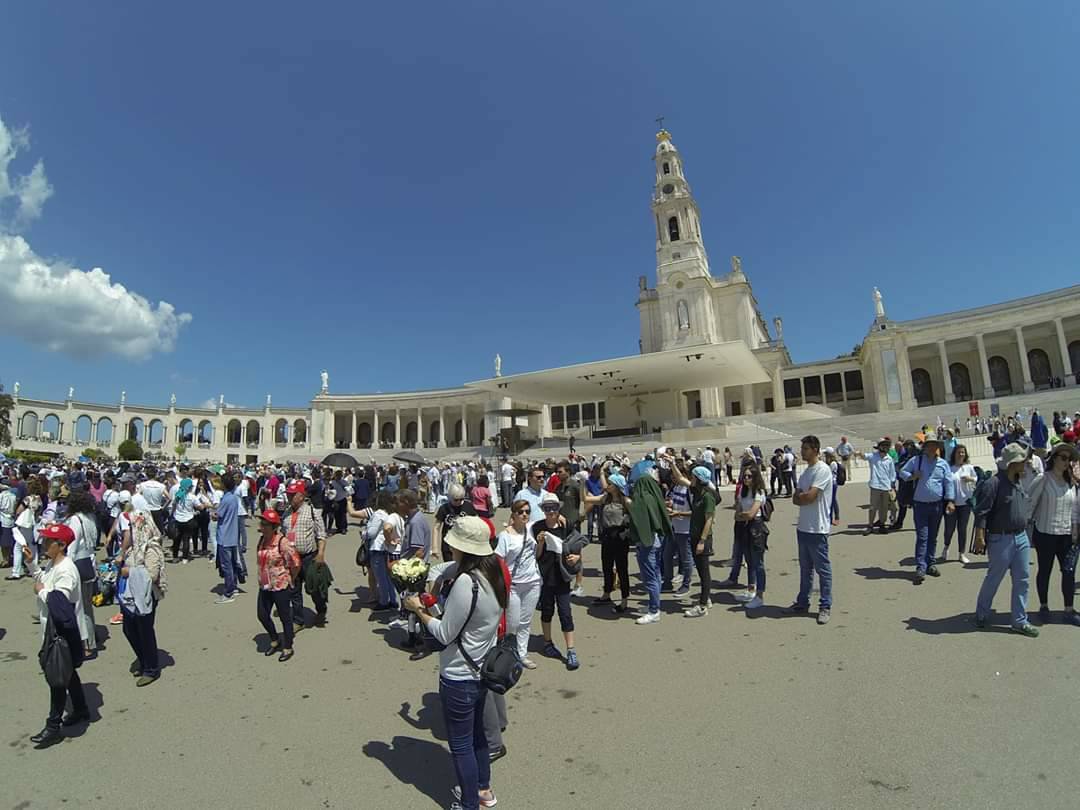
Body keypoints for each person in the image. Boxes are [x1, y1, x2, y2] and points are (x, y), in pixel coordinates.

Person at [402, 515, 506, 810]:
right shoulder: (494, 572)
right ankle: (484, 790)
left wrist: (419, 611)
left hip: (460, 674)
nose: (450, 551)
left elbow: (445, 633)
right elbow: (440, 570)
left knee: (461, 745)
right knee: (478, 738)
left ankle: (470, 803)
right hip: (482, 667)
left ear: (463, 549)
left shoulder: (466, 582)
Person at [26, 523, 90, 748]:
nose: (43, 544)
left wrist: (41, 591)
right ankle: (81, 709)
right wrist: (31, 563)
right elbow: (42, 578)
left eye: (48, 541)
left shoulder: (66, 570)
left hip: (61, 633)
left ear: (61, 545)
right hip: (52, 630)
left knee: (57, 679)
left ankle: (53, 727)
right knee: (68, 673)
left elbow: (59, 604)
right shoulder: (54, 563)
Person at [972, 443, 1039, 637]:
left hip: (1021, 536)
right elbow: (982, 513)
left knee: (1023, 580)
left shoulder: (1018, 480)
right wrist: (979, 536)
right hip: (1000, 539)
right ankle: (982, 614)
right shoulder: (994, 483)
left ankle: (1019, 621)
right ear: (1012, 463)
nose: (1025, 462)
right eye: (1022, 460)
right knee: (994, 578)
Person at [1026, 443, 1080, 626]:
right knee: (1045, 570)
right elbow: (1030, 504)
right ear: (1054, 458)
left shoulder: (1070, 482)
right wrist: (1025, 529)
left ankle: (1069, 609)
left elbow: (1074, 509)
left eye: (1069, 459)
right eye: (1063, 458)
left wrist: (1075, 530)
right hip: (1045, 533)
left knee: (1069, 571)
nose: (1066, 462)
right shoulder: (1043, 479)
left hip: (1066, 535)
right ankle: (1044, 606)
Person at [785, 435, 834, 625]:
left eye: (805, 448)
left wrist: (801, 496)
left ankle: (825, 605)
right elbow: (795, 497)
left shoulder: (822, 470)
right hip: (803, 527)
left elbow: (809, 497)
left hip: (817, 528)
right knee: (805, 569)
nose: (802, 451)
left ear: (815, 450)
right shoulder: (806, 472)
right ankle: (802, 602)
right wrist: (801, 496)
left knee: (823, 569)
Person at [898, 431, 956, 583]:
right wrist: (912, 476)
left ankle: (931, 563)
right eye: (929, 445)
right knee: (922, 536)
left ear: (937, 447)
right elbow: (901, 471)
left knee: (933, 537)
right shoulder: (916, 460)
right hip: (920, 505)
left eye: (934, 445)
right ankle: (921, 566)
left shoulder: (943, 464)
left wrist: (950, 501)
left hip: (937, 505)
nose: (931, 448)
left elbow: (948, 482)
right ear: (925, 447)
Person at [118, 509, 167, 686]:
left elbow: (152, 575)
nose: (129, 529)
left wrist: (129, 572)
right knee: (129, 629)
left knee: (144, 631)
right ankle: (143, 659)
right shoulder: (133, 547)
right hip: (131, 596)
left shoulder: (151, 547)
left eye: (132, 525)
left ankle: (151, 668)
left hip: (146, 596)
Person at [534, 491, 581, 668]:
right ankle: (547, 642)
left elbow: (577, 543)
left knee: (565, 612)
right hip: (545, 575)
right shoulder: (538, 527)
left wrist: (577, 557)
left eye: (553, 508)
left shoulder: (566, 525)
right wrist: (539, 543)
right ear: (543, 510)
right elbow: (537, 556)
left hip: (562, 576)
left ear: (558, 509)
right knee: (547, 610)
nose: (550, 511)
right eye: (547, 508)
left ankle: (571, 650)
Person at [495, 499, 542, 669]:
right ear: (513, 514)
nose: (524, 514)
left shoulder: (531, 531)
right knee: (512, 623)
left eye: (527, 511)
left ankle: (522, 654)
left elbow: (536, 554)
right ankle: (506, 654)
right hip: (513, 585)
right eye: (520, 511)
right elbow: (499, 560)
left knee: (525, 621)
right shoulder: (505, 536)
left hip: (532, 582)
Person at [281, 481, 329, 630]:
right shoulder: (286, 513)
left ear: (301, 496)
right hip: (292, 557)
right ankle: (298, 620)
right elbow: (283, 533)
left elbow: (321, 535)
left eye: (292, 495)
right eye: (288, 494)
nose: (289, 497)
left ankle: (321, 610)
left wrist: (320, 554)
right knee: (294, 590)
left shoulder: (313, 512)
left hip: (309, 556)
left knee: (314, 588)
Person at [628, 468, 672, 626]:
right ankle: (655, 605)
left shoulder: (642, 500)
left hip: (647, 542)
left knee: (650, 578)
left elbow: (637, 521)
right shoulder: (654, 497)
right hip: (657, 540)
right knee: (656, 574)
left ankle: (654, 611)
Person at [255, 509, 301, 661]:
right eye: (261, 522)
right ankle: (275, 638)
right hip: (265, 585)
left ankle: (288, 646)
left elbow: (295, 563)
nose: (261, 526)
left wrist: (290, 578)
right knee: (262, 615)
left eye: (264, 523)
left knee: (285, 617)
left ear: (273, 526)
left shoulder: (282, 542)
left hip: (280, 585)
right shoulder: (262, 540)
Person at [587, 471, 632, 614]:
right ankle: (607, 593)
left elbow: (636, 518)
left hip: (620, 536)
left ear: (617, 486)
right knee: (606, 565)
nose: (607, 485)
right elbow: (586, 499)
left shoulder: (627, 501)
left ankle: (624, 600)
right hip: (607, 535)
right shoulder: (606, 498)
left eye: (610, 483)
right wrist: (583, 483)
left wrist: (628, 533)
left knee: (622, 568)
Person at [64, 490, 99, 656]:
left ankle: (88, 644)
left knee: (81, 608)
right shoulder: (90, 517)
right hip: (90, 561)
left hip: (79, 563)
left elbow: (72, 544)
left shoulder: (75, 519)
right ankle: (91, 638)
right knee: (86, 606)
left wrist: (66, 565)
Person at [730, 464, 767, 613]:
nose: (746, 479)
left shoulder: (758, 491)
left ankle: (760, 595)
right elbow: (737, 512)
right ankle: (751, 589)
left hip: (756, 528)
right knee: (749, 560)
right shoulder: (743, 492)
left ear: (755, 477)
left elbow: (751, 514)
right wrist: (742, 514)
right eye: (744, 476)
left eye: (749, 476)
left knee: (758, 563)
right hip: (744, 528)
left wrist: (742, 514)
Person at [683, 465, 719, 617]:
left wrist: (702, 541)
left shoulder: (707, 496)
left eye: (692, 477)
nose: (691, 479)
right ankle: (706, 598)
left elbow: (709, 520)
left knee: (704, 572)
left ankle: (702, 605)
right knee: (700, 570)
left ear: (698, 479)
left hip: (702, 538)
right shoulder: (698, 493)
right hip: (695, 535)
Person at [941, 444, 977, 564]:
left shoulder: (969, 467)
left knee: (962, 529)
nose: (961, 454)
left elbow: (978, 479)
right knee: (949, 528)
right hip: (951, 503)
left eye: (963, 452)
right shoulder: (949, 468)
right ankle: (946, 547)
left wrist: (970, 479)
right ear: (954, 454)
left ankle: (961, 553)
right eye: (959, 452)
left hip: (965, 503)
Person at [214, 472, 242, 604]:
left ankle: (229, 591)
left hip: (224, 536)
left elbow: (217, 515)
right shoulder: (233, 497)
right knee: (232, 563)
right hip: (232, 535)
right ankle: (233, 586)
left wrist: (213, 512)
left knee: (227, 566)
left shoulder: (226, 499)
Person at [863, 438, 897, 535]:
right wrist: (858, 454)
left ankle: (882, 524)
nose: (886, 447)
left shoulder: (889, 459)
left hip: (886, 487)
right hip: (875, 485)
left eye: (887, 445)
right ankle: (870, 525)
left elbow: (892, 473)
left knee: (884, 508)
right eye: (884, 445)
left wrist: (892, 485)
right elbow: (864, 456)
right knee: (873, 507)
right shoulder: (873, 456)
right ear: (879, 447)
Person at [435, 484, 477, 561]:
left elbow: (476, 524)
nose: (459, 502)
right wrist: (435, 547)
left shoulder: (468, 506)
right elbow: (436, 528)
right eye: (456, 499)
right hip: (448, 546)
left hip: (465, 545)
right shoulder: (444, 508)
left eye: (462, 499)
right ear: (450, 497)